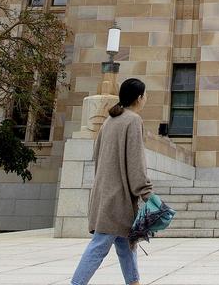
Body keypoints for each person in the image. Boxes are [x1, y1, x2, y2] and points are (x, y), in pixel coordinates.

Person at [72, 78, 153, 285]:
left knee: (127, 245)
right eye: (145, 95)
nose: (146, 99)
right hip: (116, 199)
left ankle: (133, 282)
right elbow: (136, 162)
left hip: (105, 193)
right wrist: (146, 192)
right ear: (139, 98)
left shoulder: (110, 120)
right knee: (99, 246)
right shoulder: (133, 120)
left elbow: (97, 156)